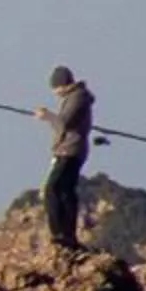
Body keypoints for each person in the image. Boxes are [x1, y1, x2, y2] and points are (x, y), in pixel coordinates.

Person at [37, 64, 95, 255]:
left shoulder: (77, 97)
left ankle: (60, 234)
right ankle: (66, 234)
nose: (55, 93)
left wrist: (47, 116)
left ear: (62, 84)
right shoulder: (75, 97)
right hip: (71, 150)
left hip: (70, 151)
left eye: (55, 88)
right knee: (64, 191)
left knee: (52, 189)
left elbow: (63, 123)